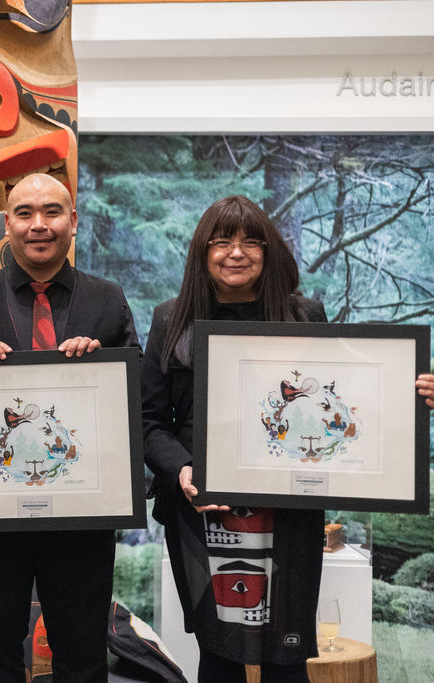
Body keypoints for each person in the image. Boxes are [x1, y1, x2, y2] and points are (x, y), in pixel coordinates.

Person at [0, 173, 140, 682]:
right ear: (7, 224)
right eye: (24, 213)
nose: (38, 224)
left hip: (82, 520)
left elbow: (135, 392)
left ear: (73, 222)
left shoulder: (107, 299)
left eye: (52, 212)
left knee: (83, 659)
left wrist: (101, 361)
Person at [141, 195, 328, 682]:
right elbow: (149, 420)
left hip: (289, 507)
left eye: (250, 242)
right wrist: (182, 470)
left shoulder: (306, 317)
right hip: (202, 505)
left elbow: (337, 398)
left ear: (269, 251)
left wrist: (410, 388)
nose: (236, 252)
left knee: (287, 657)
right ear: (203, 253)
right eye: (221, 241)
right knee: (219, 654)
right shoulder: (170, 319)